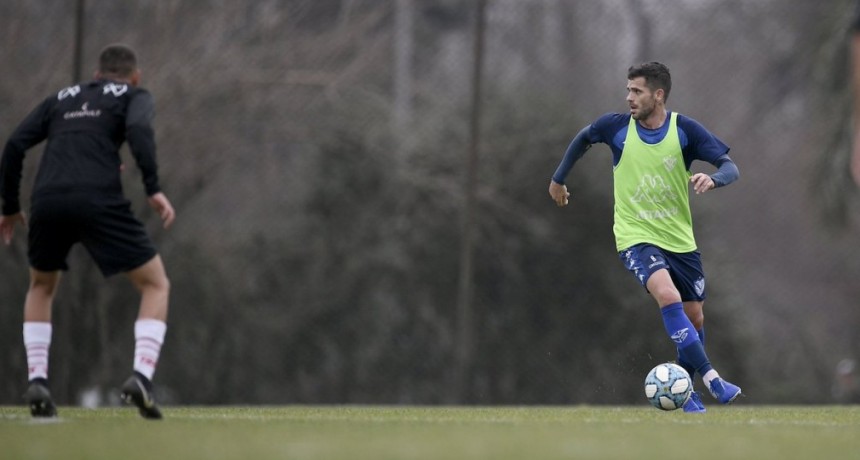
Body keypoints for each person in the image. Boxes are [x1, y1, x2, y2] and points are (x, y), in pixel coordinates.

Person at [548, 62, 741, 413]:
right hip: (635, 237)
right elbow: (583, 138)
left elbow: (730, 167)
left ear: (658, 95)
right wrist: (558, 179)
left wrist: (714, 180)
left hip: (681, 242)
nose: (629, 98)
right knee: (667, 295)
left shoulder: (684, 130)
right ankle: (714, 379)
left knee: (695, 317)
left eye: (636, 91)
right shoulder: (616, 128)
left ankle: (688, 393)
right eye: (628, 90)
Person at [0, 44, 174, 419]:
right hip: (98, 198)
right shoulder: (134, 95)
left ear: (96, 76)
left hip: (47, 200)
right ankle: (141, 377)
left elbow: (14, 145)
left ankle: (38, 380)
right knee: (155, 283)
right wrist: (153, 186)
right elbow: (139, 128)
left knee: (41, 286)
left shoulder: (62, 97)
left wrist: (10, 207)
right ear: (135, 76)